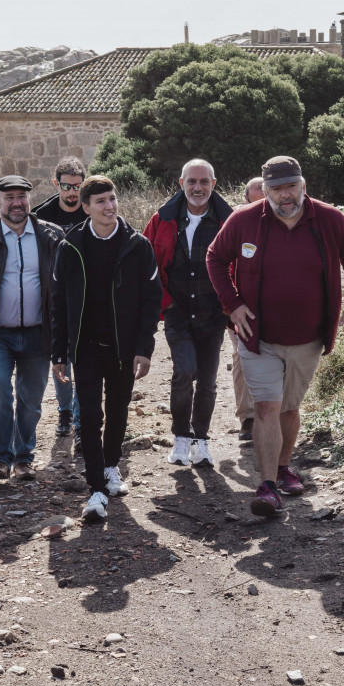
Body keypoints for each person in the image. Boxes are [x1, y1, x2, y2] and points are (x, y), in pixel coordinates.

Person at [207, 156, 344, 517]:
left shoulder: (328, 219)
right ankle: (266, 487)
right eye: (277, 189)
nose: (285, 195)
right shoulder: (244, 220)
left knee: (289, 408)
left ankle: (282, 467)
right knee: (266, 406)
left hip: (308, 337)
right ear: (265, 192)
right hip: (257, 336)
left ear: (302, 186)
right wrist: (231, 304)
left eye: (291, 186)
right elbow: (215, 257)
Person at [51, 175, 161, 522]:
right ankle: (96, 487)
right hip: (84, 346)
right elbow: (58, 303)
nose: (109, 206)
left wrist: (144, 347)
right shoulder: (70, 247)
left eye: (112, 199)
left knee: (117, 411)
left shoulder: (137, 245)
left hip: (123, 347)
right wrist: (58, 352)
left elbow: (151, 301)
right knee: (90, 416)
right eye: (100, 201)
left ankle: (112, 467)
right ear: (85, 207)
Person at [0, 176, 65, 481]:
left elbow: (66, 288)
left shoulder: (52, 236)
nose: (16, 203)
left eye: (22, 197)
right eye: (9, 197)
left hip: (39, 334)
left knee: (31, 400)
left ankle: (24, 457)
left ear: (30, 199)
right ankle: (0, 458)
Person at [143, 159, 233, 467]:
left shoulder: (228, 221)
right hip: (177, 310)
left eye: (203, 182)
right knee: (183, 373)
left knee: (207, 380)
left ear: (213, 184)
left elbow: (241, 267)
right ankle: (181, 437)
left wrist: (229, 305)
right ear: (181, 184)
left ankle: (201, 441)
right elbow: (147, 265)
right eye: (191, 182)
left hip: (213, 313)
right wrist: (164, 303)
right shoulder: (163, 219)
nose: (197, 188)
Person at [31, 155, 87, 445]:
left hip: (87, 295)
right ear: (57, 184)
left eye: (77, 186)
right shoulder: (40, 216)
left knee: (83, 358)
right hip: (52, 296)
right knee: (60, 356)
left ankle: (80, 418)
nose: (72, 192)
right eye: (66, 186)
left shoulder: (92, 210)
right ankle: (65, 411)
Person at [231, 177, 266, 442]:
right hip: (241, 308)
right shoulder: (236, 223)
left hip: (277, 307)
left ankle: (278, 414)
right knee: (243, 357)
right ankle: (248, 418)